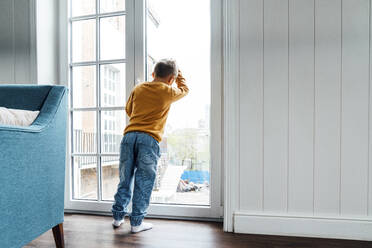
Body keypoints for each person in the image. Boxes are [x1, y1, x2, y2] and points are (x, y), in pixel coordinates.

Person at [111, 59, 189, 233]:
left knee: (125, 178)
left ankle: (117, 217)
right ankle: (136, 223)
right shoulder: (168, 90)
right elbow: (185, 90)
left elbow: (129, 110)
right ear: (171, 79)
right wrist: (179, 75)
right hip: (149, 139)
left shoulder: (138, 88)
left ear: (153, 74)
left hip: (129, 137)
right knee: (144, 181)